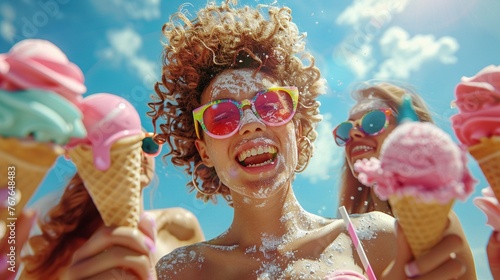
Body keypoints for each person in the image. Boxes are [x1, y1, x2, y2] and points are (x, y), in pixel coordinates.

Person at [148, 1, 465, 278]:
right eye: (222, 116)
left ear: (297, 131)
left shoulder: (375, 237)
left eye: (270, 106)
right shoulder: (178, 271)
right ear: (204, 151)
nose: (249, 124)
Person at [333, 81, 477, 279]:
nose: (355, 133)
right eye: (346, 130)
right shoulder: (341, 232)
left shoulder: (440, 224)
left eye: (372, 122)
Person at [20, 133, 204, 279]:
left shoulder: (181, 227)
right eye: (120, 145)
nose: (137, 153)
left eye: (147, 144)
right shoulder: (56, 255)